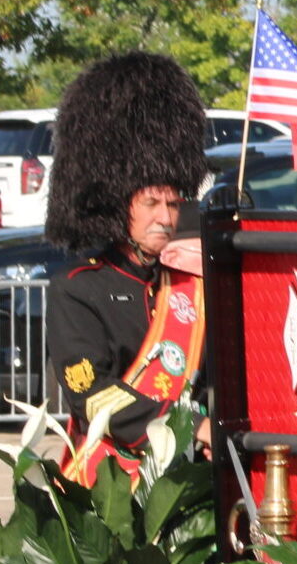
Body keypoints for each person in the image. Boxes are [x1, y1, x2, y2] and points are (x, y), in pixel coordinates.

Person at [44, 51, 210, 481]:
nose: (166, 218)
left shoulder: (192, 288)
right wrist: (190, 428)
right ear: (119, 205)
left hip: (192, 477)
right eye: (152, 203)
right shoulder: (77, 288)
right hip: (111, 480)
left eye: (174, 204)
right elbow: (92, 394)